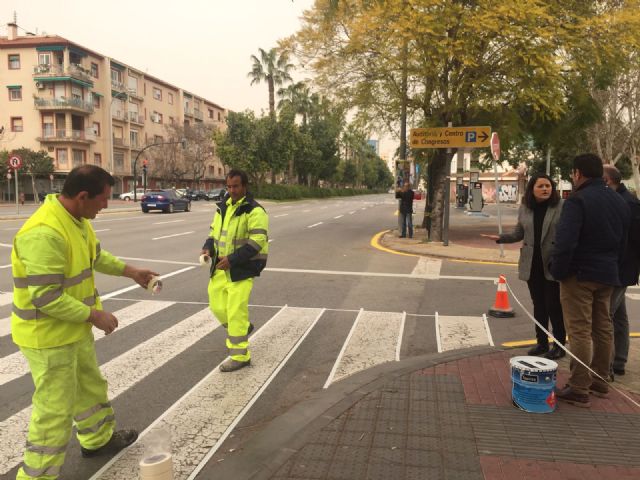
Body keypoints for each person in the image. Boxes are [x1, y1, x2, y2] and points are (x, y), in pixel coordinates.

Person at [11, 165, 158, 479]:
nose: (106, 205)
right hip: (47, 337)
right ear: (82, 196)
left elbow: (96, 256)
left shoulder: (76, 220)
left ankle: (97, 440)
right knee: (53, 413)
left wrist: (131, 272)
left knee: (90, 388)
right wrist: (95, 315)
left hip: (72, 330)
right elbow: (46, 297)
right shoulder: (45, 233)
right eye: (103, 199)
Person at [550, 154, 629, 408]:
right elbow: (623, 240)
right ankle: (600, 380)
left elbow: (565, 242)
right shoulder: (618, 201)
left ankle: (579, 386)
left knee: (580, 330)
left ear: (577, 173)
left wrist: (558, 270)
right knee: (602, 327)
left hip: (579, 274)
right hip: (607, 273)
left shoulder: (577, 201)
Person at [482, 174, 566, 359]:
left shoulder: (561, 207)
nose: (545, 189)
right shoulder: (526, 208)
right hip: (531, 263)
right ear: (532, 189)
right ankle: (541, 343)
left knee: (554, 306)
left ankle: (559, 345)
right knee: (539, 305)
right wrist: (501, 238)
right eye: (541, 186)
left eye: (548, 186)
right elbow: (519, 233)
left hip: (551, 264)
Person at [201, 169, 269, 372]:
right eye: (229, 186)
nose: (232, 190)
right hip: (221, 267)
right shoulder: (223, 207)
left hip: (242, 269)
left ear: (245, 186)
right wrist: (207, 247)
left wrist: (232, 260)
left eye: (236, 186)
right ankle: (243, 328)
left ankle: (240, 356)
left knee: (235, 311)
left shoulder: (255, 211)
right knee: (216, 306)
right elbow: (214, 233)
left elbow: (257, 242)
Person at [602, 164, 640, 378]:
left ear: (607, 181)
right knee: (619, 316)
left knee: (605, 316)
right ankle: (619, 360)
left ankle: (606, 366)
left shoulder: (628, 204)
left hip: (619, 270)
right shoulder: (624, 201)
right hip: (618, 268)